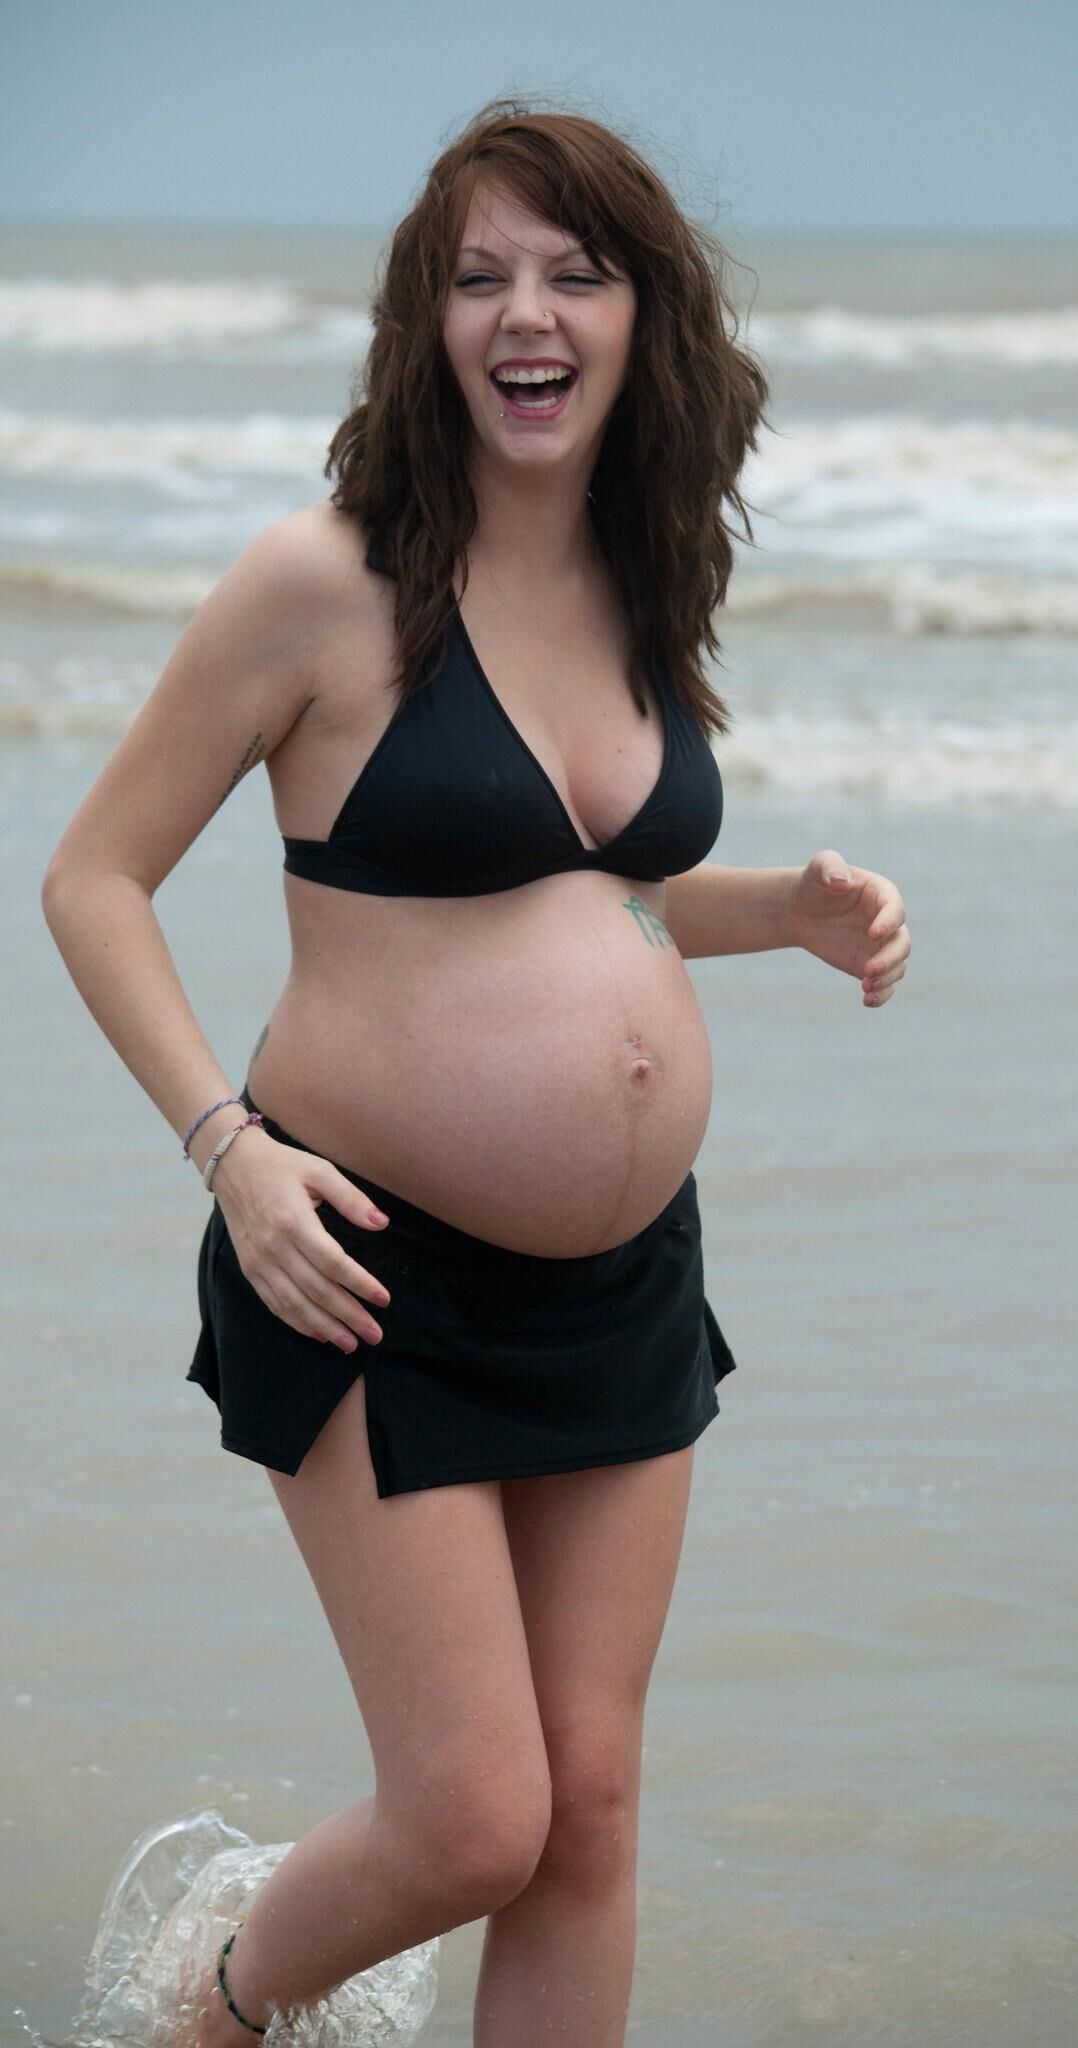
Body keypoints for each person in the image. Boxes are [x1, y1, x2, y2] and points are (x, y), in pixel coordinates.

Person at [43, 98, 910, 2048]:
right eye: (477, 275)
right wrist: (227, 1154)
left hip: (620, 1283)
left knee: (587, 1816)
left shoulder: (641, 570)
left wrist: (778, 905)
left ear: (639, 317)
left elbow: (583, 891)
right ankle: (217, 1999)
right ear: (424, 328)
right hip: (356, 1256)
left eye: (572, 270)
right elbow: (92, 879)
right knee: (473, 1813)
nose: (526, 309)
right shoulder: (320, 582)